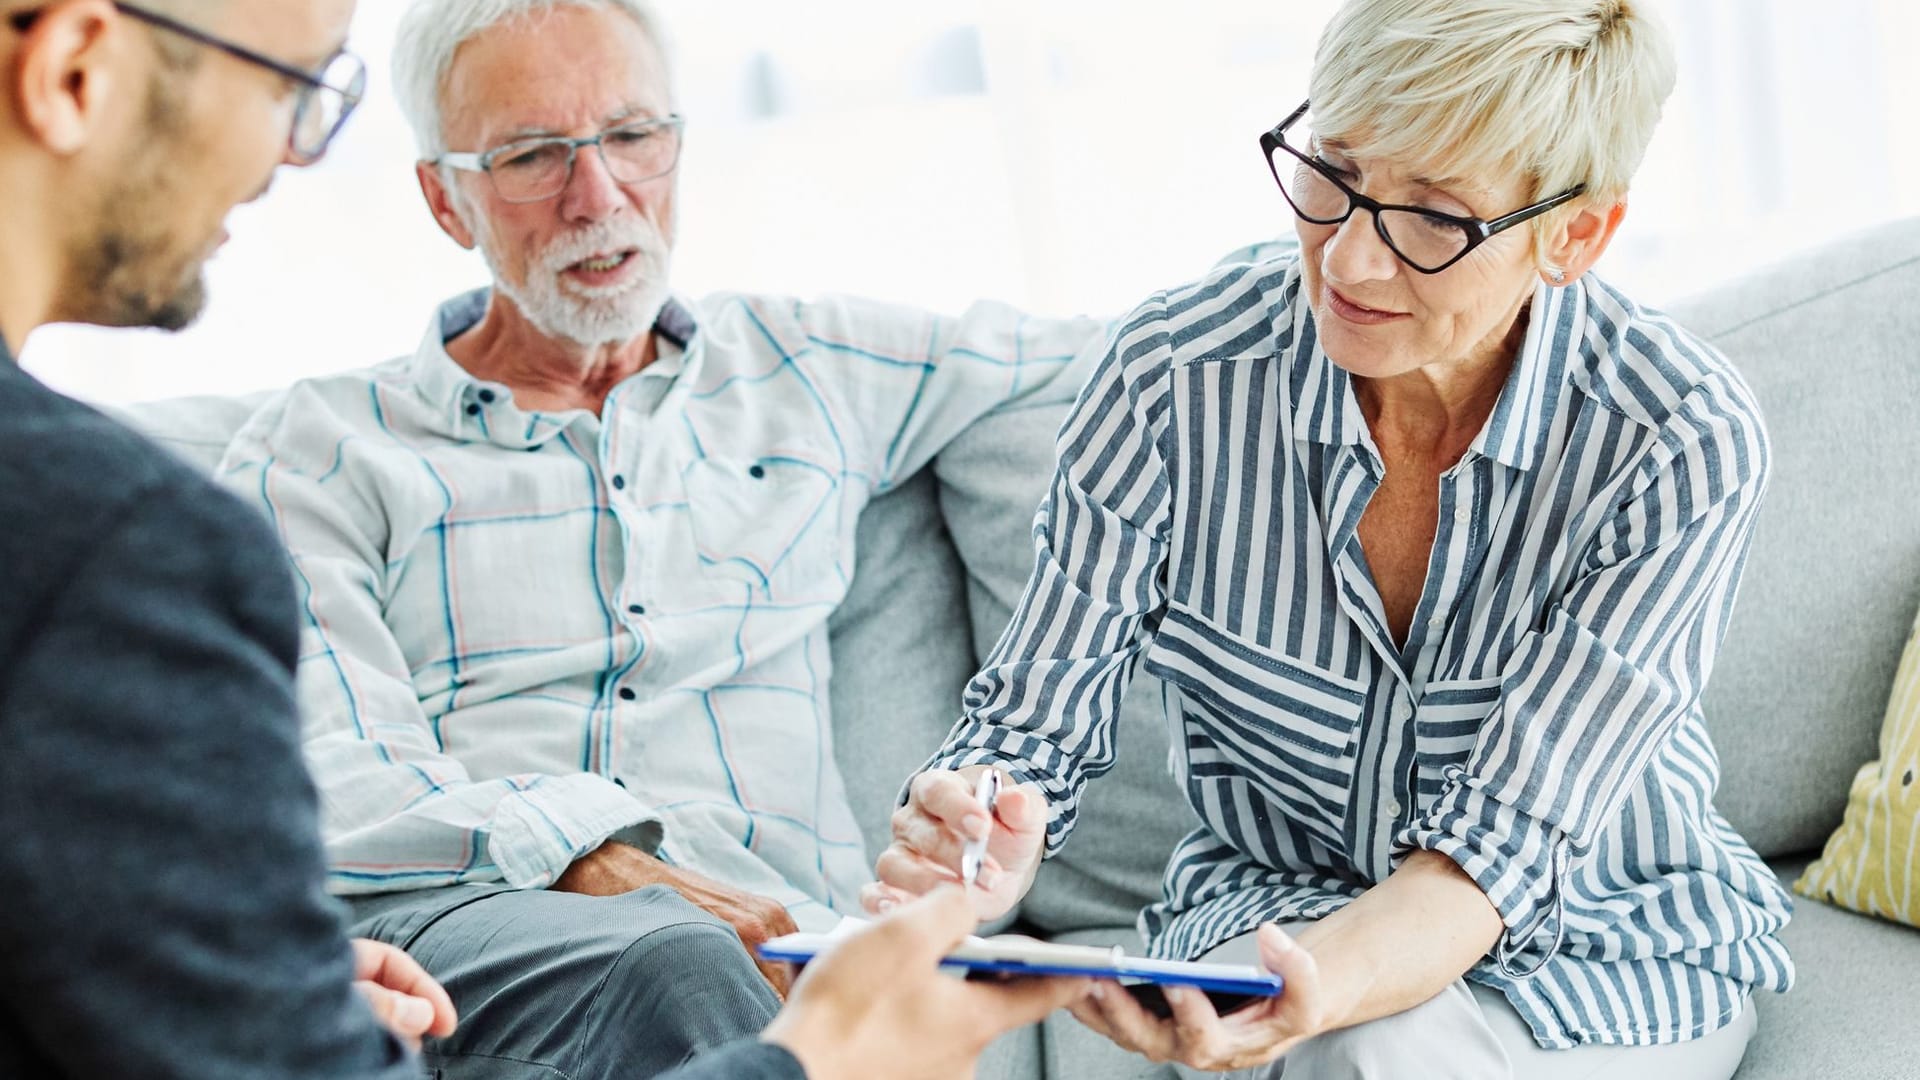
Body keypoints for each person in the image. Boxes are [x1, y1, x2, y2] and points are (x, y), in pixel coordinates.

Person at [1, 2, 1091, 1078]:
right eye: (532, 155)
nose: (599, 195)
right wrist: (600, 861)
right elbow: (334, 765)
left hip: (795, 937)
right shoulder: (321, 449)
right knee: (678, 960)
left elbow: (1130, 357)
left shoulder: (813, 365)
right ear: (444, 197)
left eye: (632, 137)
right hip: (477, 920)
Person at [874, 1, 1796, 1077]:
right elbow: (1030, 726)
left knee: (1374, 1054)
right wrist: (986, 823)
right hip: (1274, 904)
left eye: (1435, 217)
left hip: (1602, 947)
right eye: (1335, 171)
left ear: (1575, 234)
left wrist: (1306, 1001)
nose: (1350, 261)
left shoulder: (1676, 439)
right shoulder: (1173, 381)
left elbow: (1492, 860)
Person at [0, 0, 453, 1074]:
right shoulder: (115, 547)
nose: (284, 163)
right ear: (74, 71)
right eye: (288, 87)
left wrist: (210, 970)